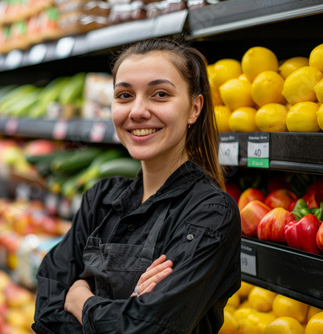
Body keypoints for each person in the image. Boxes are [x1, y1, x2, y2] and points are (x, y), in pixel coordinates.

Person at [32, 38, 241, 334]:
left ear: (194, 108)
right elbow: (46, 310)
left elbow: (148, 329)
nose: (137, 111)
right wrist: (124, 313)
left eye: (159, 94)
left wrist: (80, 298)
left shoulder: (210, 213)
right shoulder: (101, 198)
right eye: (125, 95)